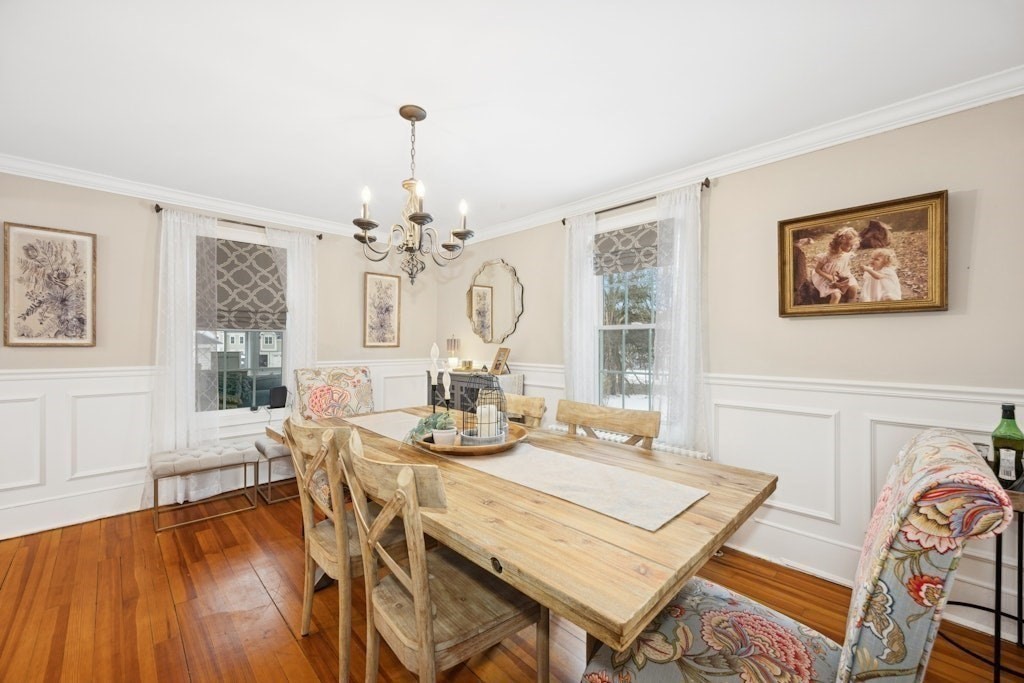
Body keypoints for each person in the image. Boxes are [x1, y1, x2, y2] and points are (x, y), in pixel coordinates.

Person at [810, 226, 860, 303]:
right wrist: (829, 277)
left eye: (851, 246)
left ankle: (851, 304)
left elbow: (844, 266)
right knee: (836, 295)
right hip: (826, 278)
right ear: (839, 244)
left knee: (854, 288)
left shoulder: (847, 254)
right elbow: (817, 270)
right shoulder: (826, 257)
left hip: (842, 275)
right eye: (848, 245)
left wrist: (843, 276)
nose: (850, 248)